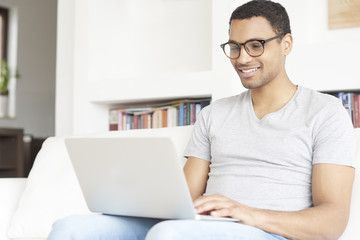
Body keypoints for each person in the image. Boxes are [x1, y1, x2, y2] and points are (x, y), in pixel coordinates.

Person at [48, 0, 356, 239]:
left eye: (255, 45)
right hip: (200, 228)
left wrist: (247, 213)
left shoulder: (325, 113)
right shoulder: (213, 115)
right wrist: (135, 197)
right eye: (234, 47)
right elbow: (183, 198)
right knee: (71, 229)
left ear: (286, 43)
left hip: (270, 233)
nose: (243, 58)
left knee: (171, 235)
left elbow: (332, 222)